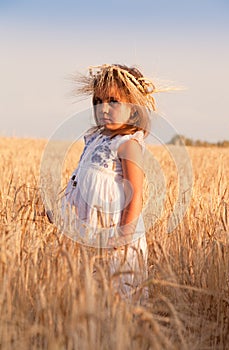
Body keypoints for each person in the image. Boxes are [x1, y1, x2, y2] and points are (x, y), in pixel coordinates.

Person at [62, 64, 157, 301]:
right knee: (90, 290)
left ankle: (121, 333)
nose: (103, 108)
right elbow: (79, 178)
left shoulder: (128, 144)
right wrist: (60, 208)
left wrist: (124, 234)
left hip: (114, 233)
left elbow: (135, 194)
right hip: (90, 231)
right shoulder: (95, 138)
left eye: (113, 101)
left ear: (133, 110)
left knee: (116, 292)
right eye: (97, 101)